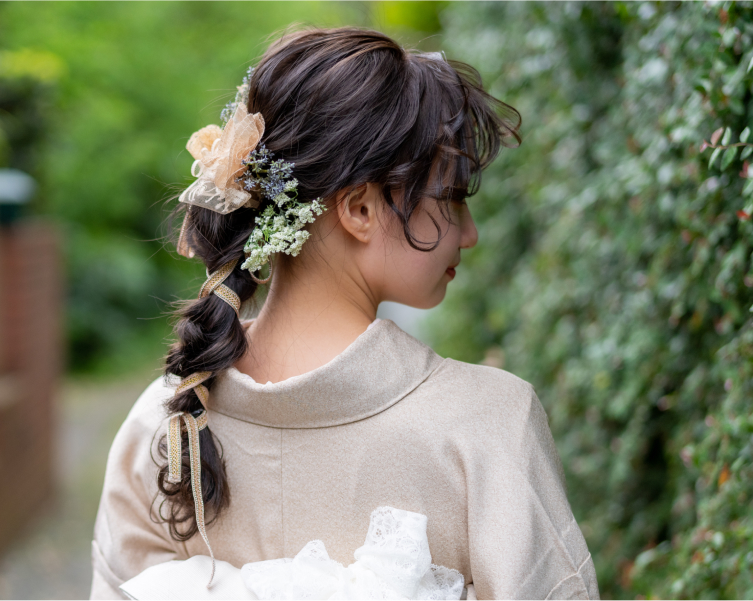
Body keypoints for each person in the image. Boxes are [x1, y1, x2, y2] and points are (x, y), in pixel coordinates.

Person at [90, 27, 599, 600]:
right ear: (359, 207)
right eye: (452, 199)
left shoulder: (167, 423)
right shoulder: (486, 426)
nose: (471, 234)